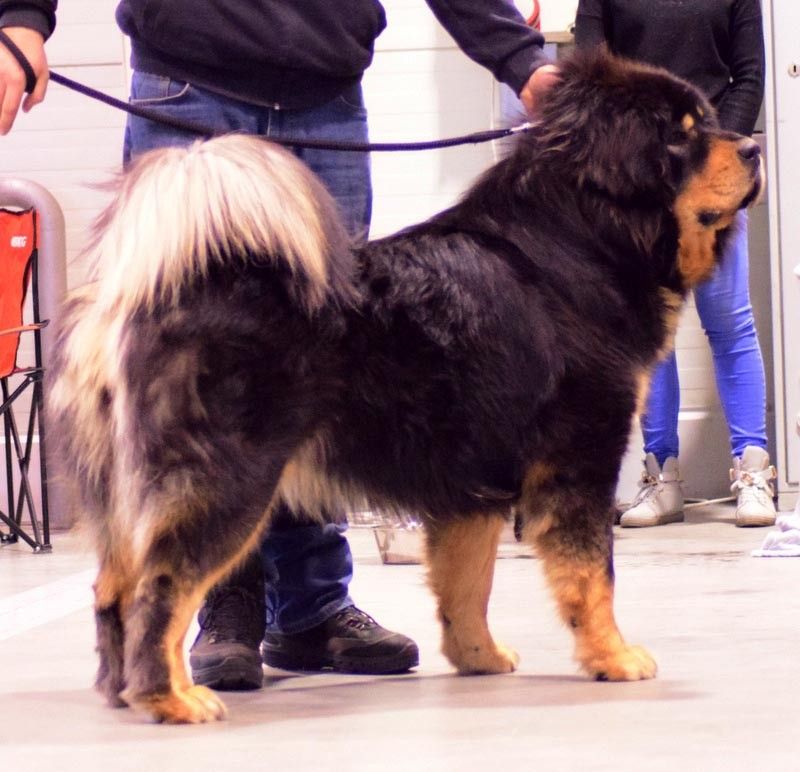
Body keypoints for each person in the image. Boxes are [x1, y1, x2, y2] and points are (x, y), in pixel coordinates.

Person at [1, 0, 559, 687]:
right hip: (190, 84)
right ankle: (222, 610)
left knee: (324, 381)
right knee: (196, 392)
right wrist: (22, 18)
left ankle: (311, 607)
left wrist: (520, 60)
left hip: (326, 99)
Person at [575, 0, 775, 529]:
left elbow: (749, 78)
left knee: (729, 322)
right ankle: (661, 476)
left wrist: (709, 157)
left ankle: (753, 473)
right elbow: (592, 78)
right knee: (650, 334)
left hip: (713, 179)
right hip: (641, 183)